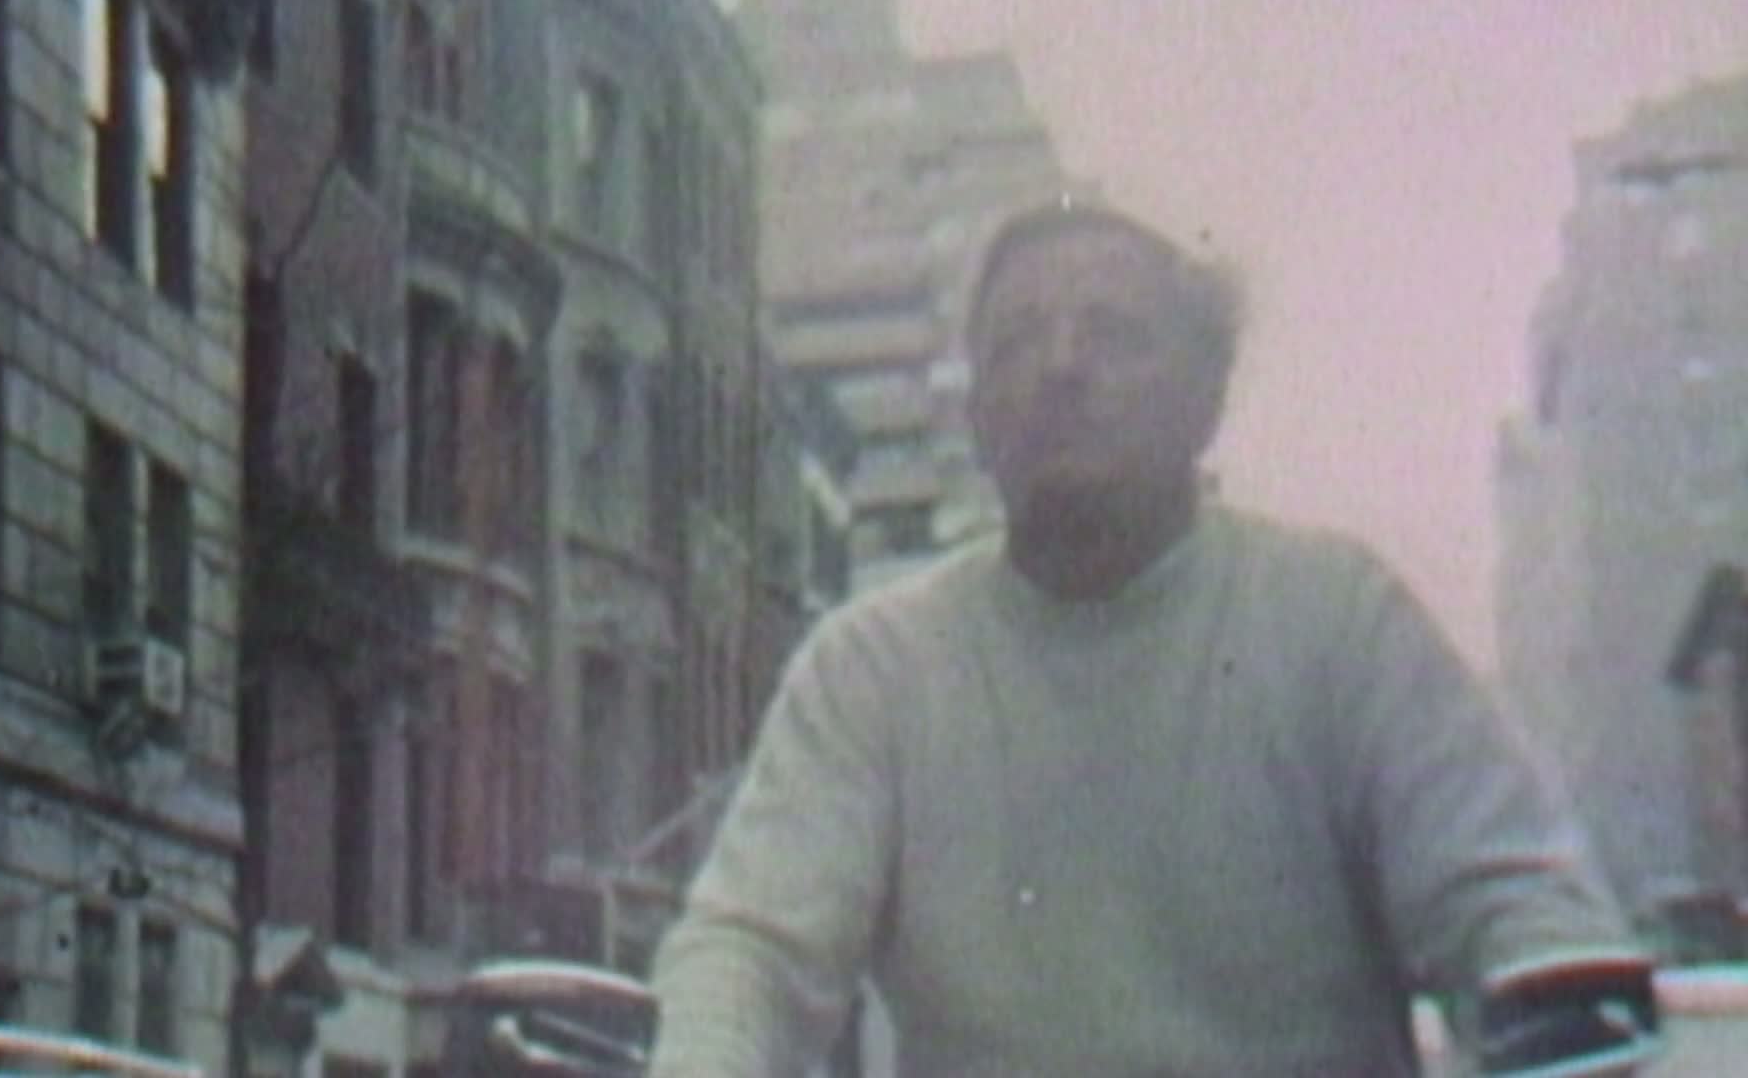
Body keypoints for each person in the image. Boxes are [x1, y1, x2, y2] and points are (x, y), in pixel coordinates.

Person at [647, 195, 1659, 1075]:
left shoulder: (1337, 619)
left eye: (1114, 333)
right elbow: (751, 949)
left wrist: (1542, 988)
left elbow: (1514, 905)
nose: (1060, 366)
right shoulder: (873, 668)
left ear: (1207, 397)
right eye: (1016, 342)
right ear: (977, 417)